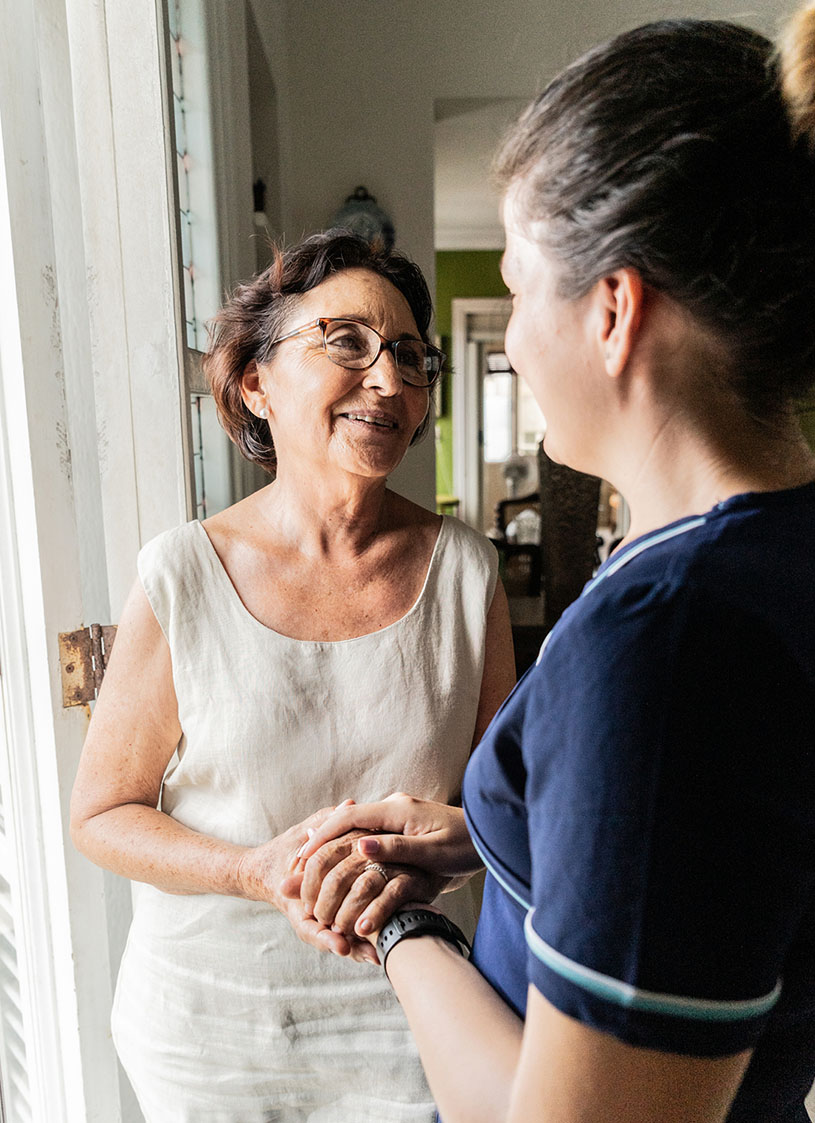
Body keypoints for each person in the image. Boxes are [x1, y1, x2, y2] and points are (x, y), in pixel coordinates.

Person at [294, 13, 815, 1123]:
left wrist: (401, 933)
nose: (515, 336)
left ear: (614, 310)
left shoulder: (668, 639)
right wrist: (476, 834)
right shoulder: (768, 555)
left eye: (523, 288)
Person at [69, 231, 516, 1122]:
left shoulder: (467, 572)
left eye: (410, 358)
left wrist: (448, 844)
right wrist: (253, 869)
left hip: (409, 1016)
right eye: (345, 341)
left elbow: (507, 813)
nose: (388, 381)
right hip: (209, 1031)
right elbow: (101, 815)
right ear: (256, 381)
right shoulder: (182, 573)